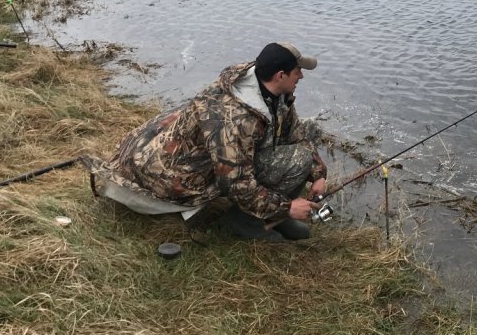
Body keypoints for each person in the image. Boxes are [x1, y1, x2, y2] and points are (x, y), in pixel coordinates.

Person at [83, 42, 328, 241]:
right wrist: (286, 206)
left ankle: (274, 217)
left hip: (211, 154)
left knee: (310, 133)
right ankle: (244, 223)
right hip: (180, 178)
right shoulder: (235, 119)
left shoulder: (271, 87)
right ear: (281, 75)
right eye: (298, 72)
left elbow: (296, 132)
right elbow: (236, 184)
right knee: (297, 159)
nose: (302, 76)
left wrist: (319, 174)